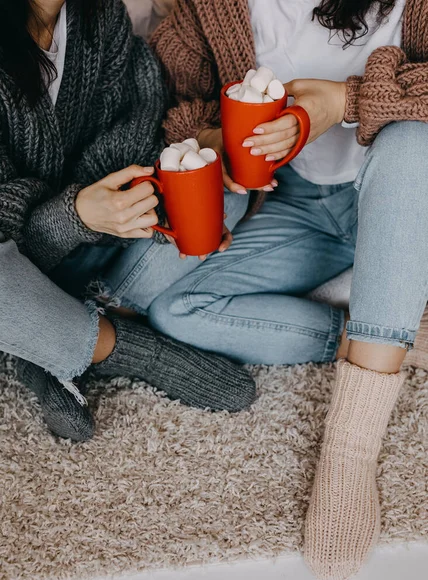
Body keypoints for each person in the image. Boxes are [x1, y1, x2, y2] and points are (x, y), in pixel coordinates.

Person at [146, 0, 428, 580]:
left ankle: (349, 453)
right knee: (177, 310)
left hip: (405, 189)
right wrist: (212, 143)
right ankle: (389, 332)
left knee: (410, 145)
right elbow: (185, 102)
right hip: (300, 204)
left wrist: (344, 102)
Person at [0, 0, 256, 442]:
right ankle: (117, 347)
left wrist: (127, 201)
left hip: (93, 238)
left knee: (218, 191)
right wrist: (75, 214)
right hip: (17, 258)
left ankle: (51, 332)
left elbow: (136, 122)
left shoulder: (100, 17)